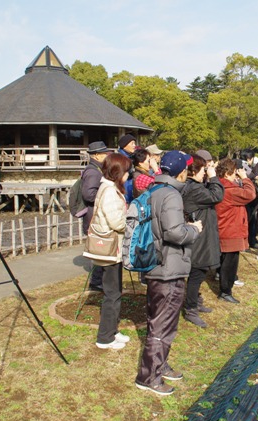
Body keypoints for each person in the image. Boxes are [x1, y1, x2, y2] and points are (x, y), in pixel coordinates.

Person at [135, 150, 203, 396]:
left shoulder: (154, 189)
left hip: (155, 264)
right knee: (162, 325)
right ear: (181, 172)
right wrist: (194, 229)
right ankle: (148, 377)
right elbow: (174, 232)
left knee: (161, 321)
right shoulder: (171, 195)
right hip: (168, 268)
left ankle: (160, 364)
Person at [90, 153, 133, 349]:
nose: (128, 175)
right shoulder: (109, 191)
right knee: (112, 295)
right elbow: (116, 222)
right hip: (109, 250)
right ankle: (104, 338)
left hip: (113, 249)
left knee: (115, 293)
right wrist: (131, 223)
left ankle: (112, 331)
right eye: (126, 171)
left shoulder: (110, 188)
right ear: (118, 172)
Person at [181, 154, 224, 327]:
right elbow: (217, 195)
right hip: (198, 239)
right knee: (196, 273)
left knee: (199, 272)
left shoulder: (194, 186)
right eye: (203, 170)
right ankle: (191, 309)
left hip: (200, 236)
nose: (205, 173)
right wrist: (213, 177)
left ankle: (195, 302)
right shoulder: (194, 189)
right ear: (194, 171)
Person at [215, 158, 256, 304]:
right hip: (231, 230)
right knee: (230, 263)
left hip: (223, 229)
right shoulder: (230, 190)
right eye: (234, 173)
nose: (235, 175)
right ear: (227, 173)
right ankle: (225, 291)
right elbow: (250, 194)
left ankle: (223, 284)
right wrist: (245, 179)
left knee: (224, 260)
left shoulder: (218, 185)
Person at [82, 141, 115, 291]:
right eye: (104, 153)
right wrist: (106, 196)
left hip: (95, 215)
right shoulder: (93, 172)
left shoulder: (96, 170)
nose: (107, 155)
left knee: (100, 250)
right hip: (93, 217)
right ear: (96, 155)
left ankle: (98, 280)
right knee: (100, 250)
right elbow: (89, 195)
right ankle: (96, 282)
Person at [118, 134, 138, 203]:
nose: (134, 146)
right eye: (132, 143)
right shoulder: (121, 159)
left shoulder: (131, 157)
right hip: (125, 191)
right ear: (124, 145)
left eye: (134, 143)